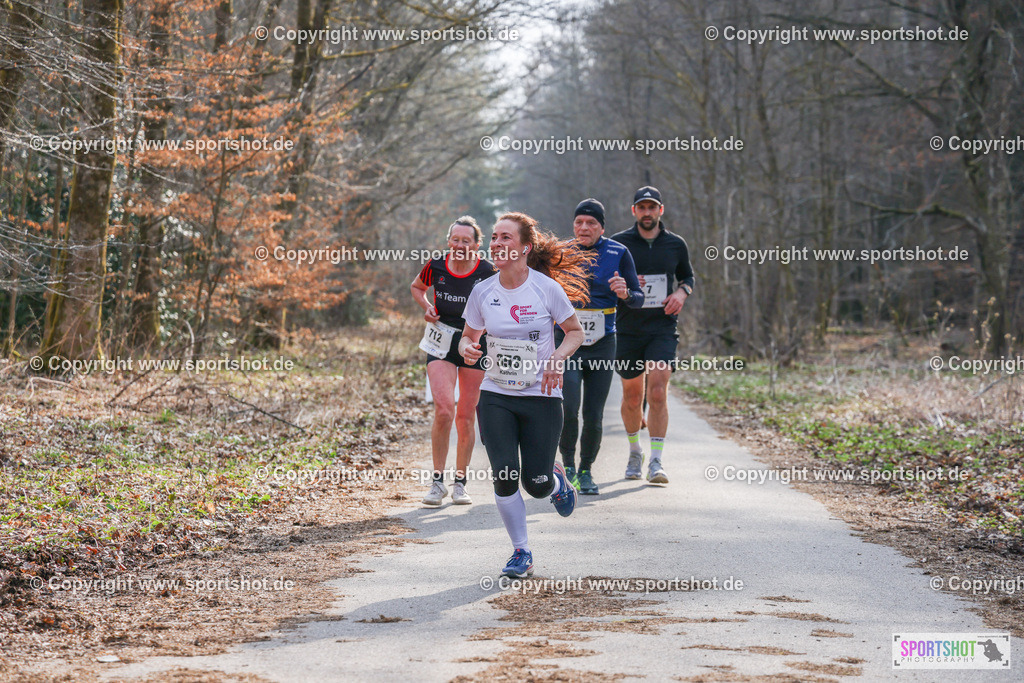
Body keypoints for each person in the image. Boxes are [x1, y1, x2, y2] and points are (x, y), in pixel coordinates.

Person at [459, 212, 592, 578]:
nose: (497, 243)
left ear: (524, 248)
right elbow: (468, 336)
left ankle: (554, 477)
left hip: (541, 395)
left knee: (536, 486)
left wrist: (557, 358)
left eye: (506, 237)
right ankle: (521, 551)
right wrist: (469, 348)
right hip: (496, 393)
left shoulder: (544, 288)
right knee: (504, 473)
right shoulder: (483, 291)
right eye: (495, 237)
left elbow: (574, 332)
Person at [557, 199, 643, 495]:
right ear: (573, 225)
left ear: (602, 227)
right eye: (579, 222)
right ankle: (567, 466)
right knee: (569, 407)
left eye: (591, 223)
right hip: (568, 341)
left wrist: (626, 293)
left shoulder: (619, 252)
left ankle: (586, 470)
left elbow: (639, 297)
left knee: (593, 413)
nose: (584, 227)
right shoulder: (562, 253)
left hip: (603, 343)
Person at [611, 186, 695, 485]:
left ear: (661, 210)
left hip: (662, 327)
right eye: (641, 208)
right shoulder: (619, 244)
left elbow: (688, 276)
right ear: (634, 211)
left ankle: (657, 461)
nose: (647, 213)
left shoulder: (675, 244)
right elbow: (604, 277)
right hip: (628, 329)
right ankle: (636, 452)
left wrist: (681, 294)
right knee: (633, 397)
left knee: (658, 391)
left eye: (652, 207)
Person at [411, 216, 496, 506]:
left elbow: (500, 301)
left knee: (465, 415)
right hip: (440, 342)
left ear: (476, 244)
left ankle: (460, 483)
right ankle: (437, 482)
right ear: (449, 241)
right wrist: (427, 307)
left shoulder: (487, 271)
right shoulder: (436, 265)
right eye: (455, 239)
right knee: (445, 410)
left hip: (474, 343)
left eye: (466, 240)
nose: (460, 245)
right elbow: (417, 288)